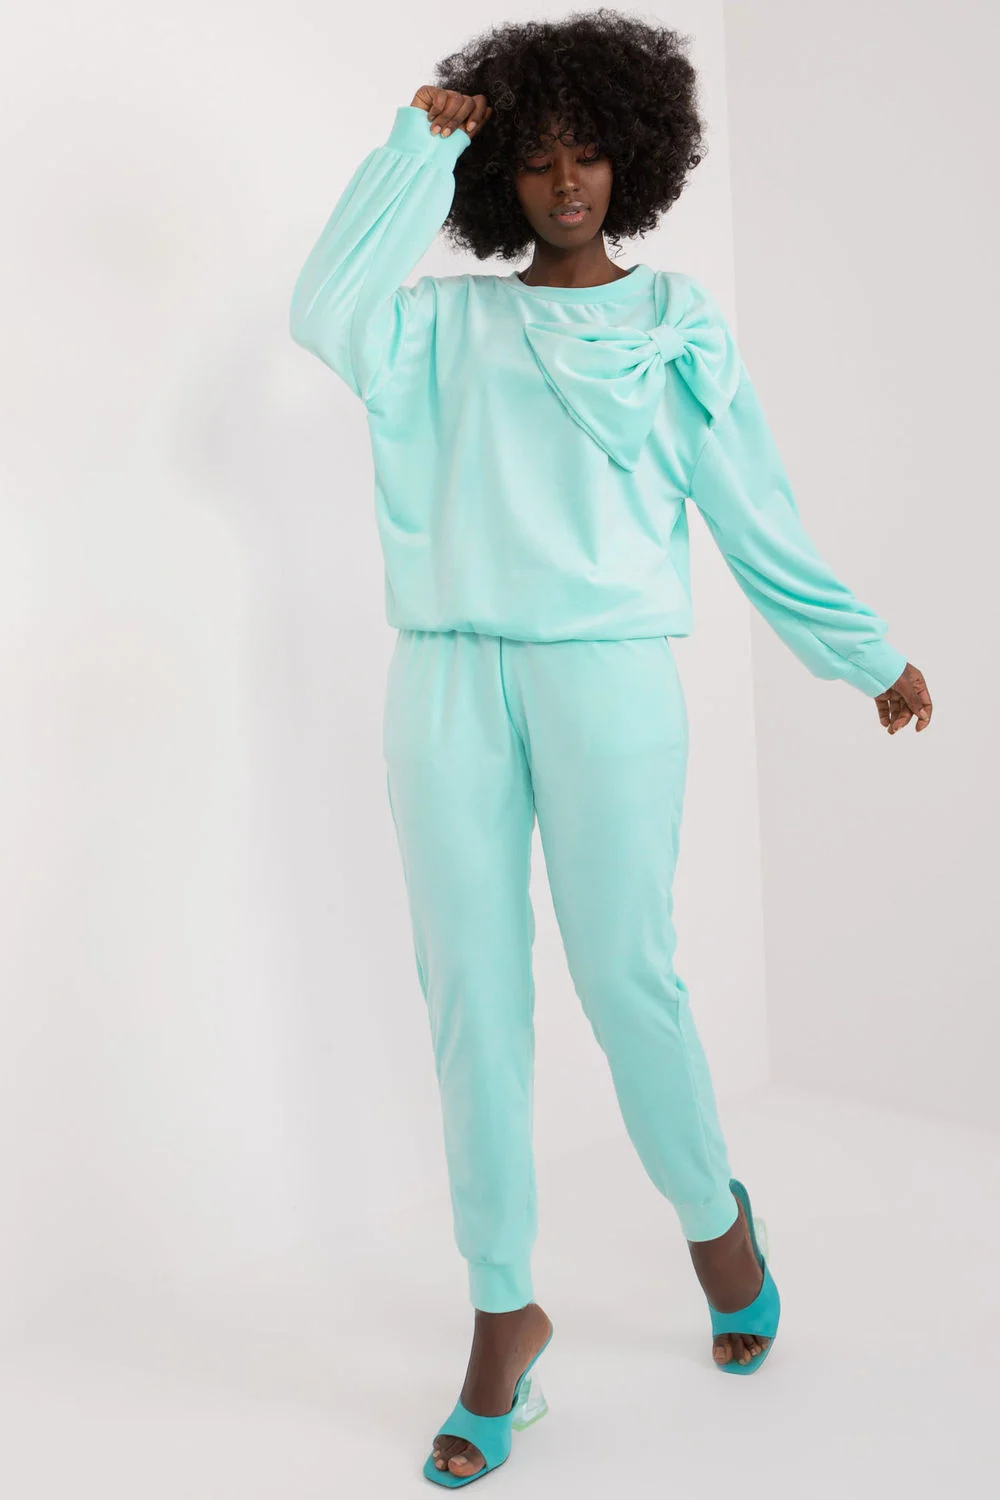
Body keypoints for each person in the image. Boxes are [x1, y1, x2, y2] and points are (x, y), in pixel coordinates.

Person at [289, 12, 933, 1486]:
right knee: (472, 997)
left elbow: (753, 511)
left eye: (588, 154)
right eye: (536, 159)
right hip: (445, 674)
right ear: (502, 181)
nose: (566, 181)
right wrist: (414, 148)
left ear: (632, 161)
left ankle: (715, 1223)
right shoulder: (437, 325)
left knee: (625, 972)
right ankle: (502, 1315)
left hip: (609, 677)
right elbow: (323, 309)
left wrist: (864, 653)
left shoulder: (677, 325)